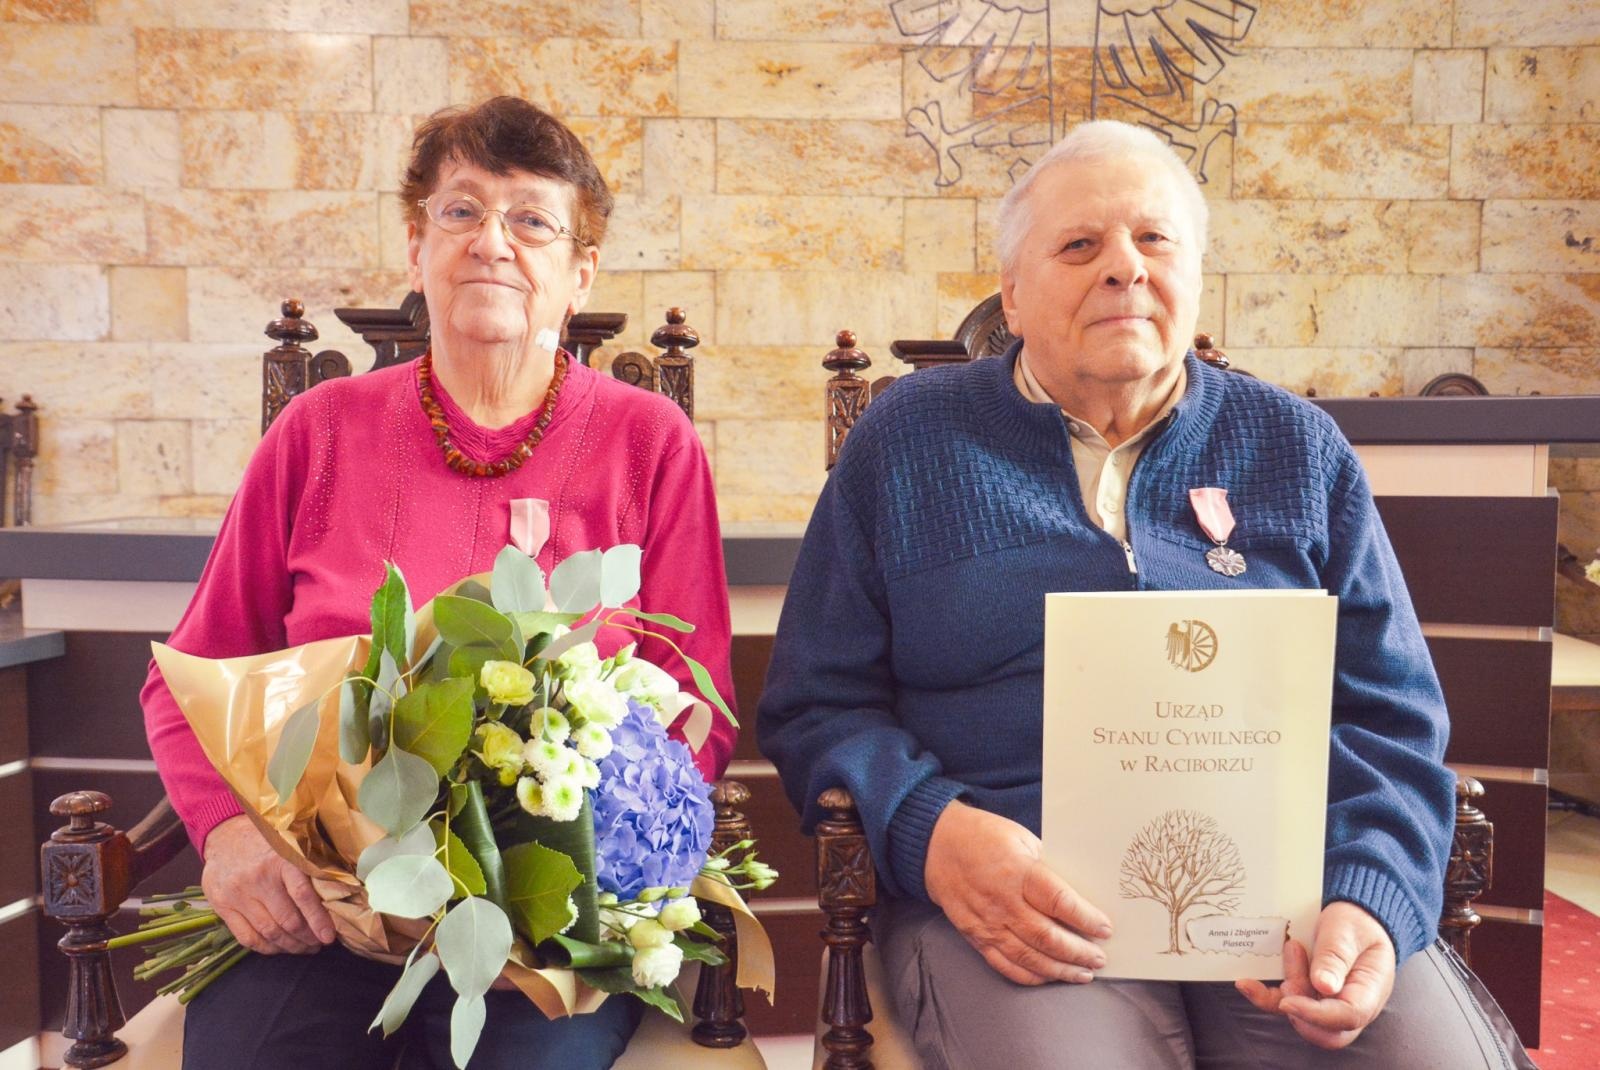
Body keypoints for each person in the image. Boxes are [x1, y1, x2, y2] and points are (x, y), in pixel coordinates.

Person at [758, 120, 1530, 1068]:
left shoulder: (1298, 449)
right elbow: (817, 702)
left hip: (1289, 904)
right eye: (1080, 244)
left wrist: (1365, 894)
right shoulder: (905, 445)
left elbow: (1390, 717)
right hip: (1026, 910)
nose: (1124, 267)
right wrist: (931, 832)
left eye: (1154, 239)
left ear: (1196, 271)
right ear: (1011, 292)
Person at [142, 96, 736, 1070]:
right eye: (461, 212)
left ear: (578, 271)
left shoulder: (650, 443)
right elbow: (190, 670)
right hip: (320, 899)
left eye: (531, 220)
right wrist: (224, 835)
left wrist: (580, 886)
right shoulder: (320, 431)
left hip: (542, 909)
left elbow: (695, 713)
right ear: (417, 246)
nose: (492, 242)